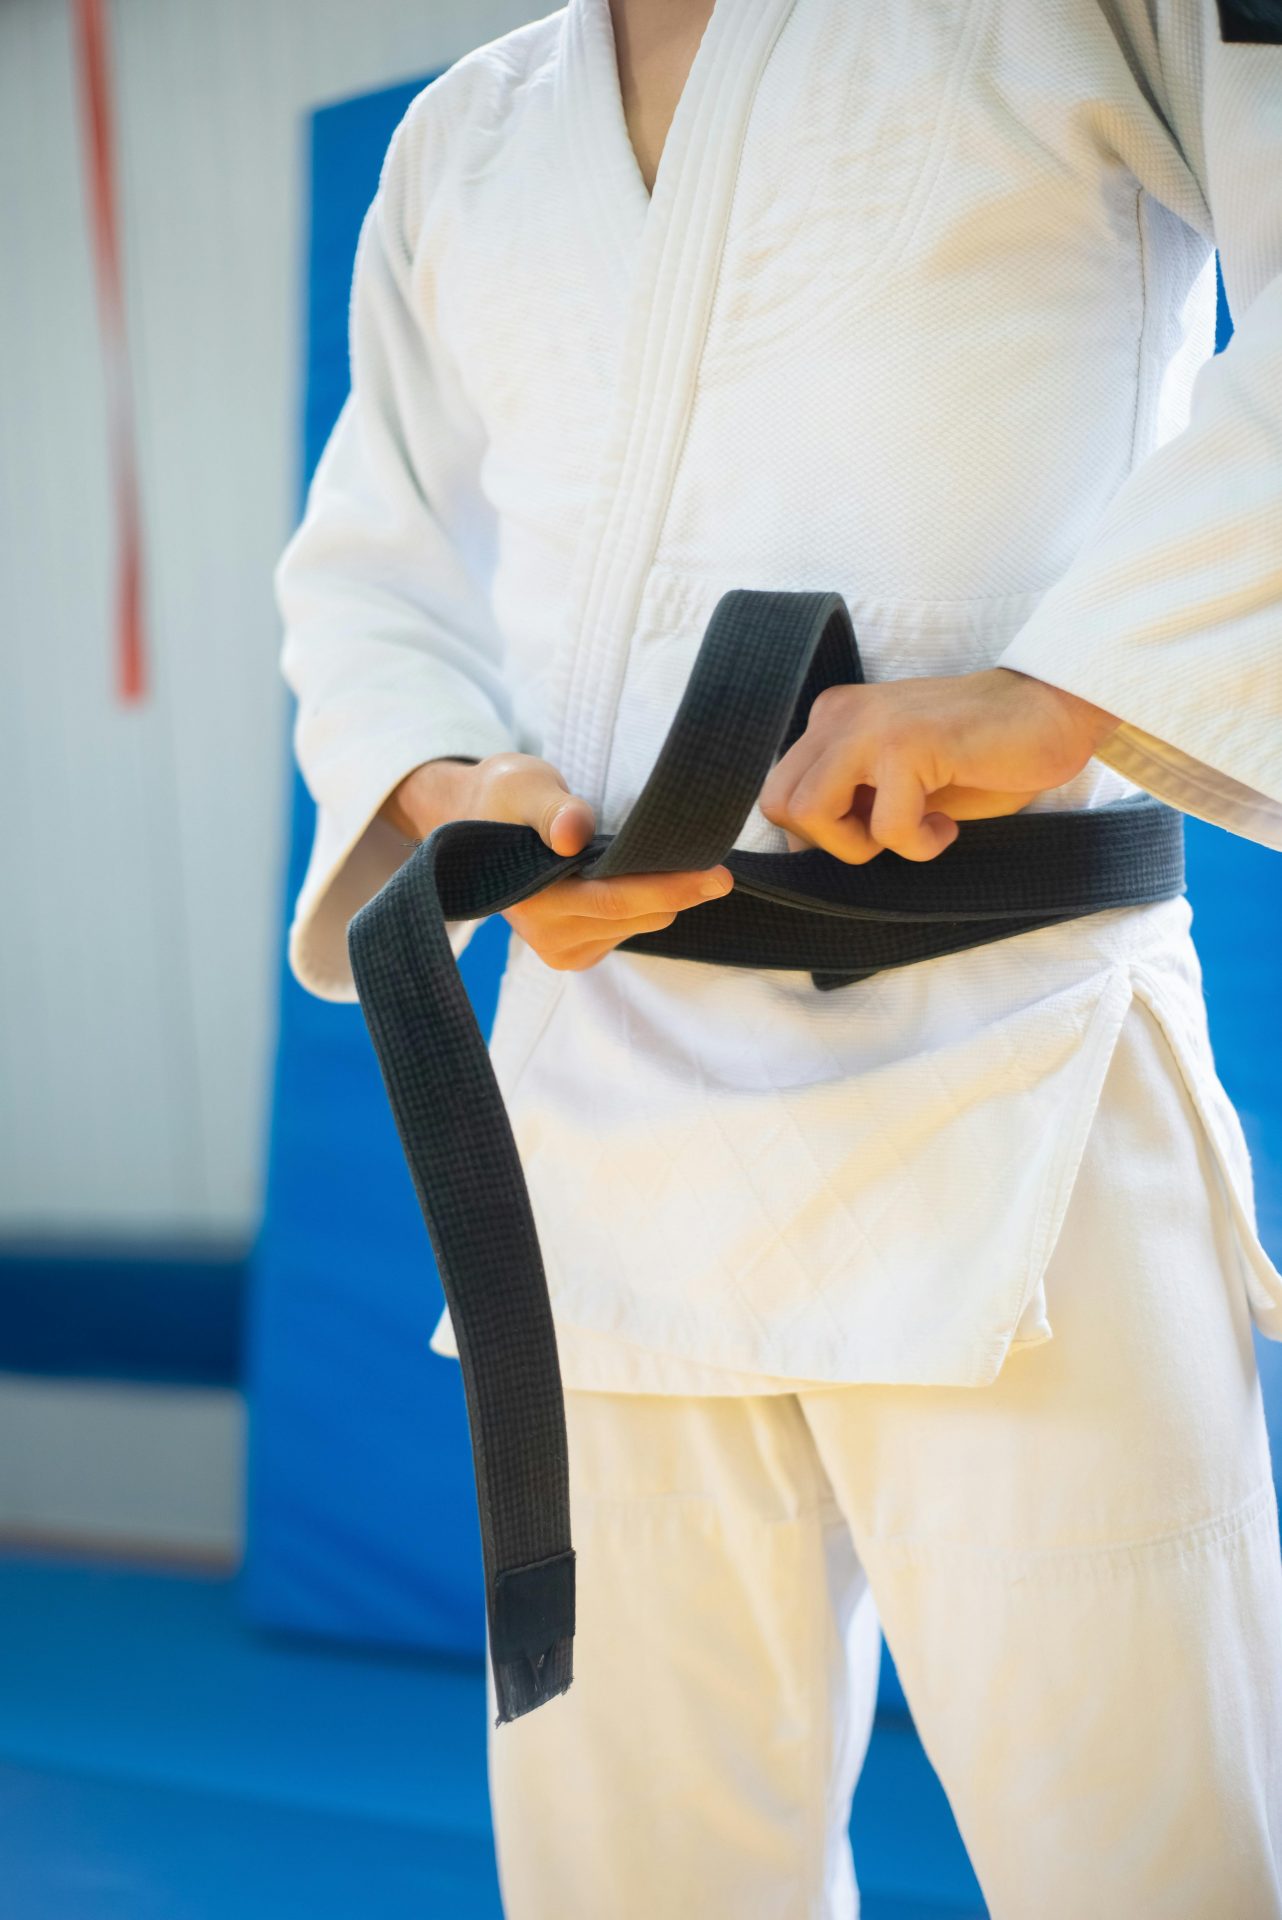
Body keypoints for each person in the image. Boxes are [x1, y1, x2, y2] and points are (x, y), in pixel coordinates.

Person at [273, 1, 1282, 1912]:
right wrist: (451, 793)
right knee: (631, 1866)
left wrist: (1058, 694)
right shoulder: (464, 136)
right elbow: (372, 568)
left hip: (1012, 1067)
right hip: (602, 1094)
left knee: (1149, 1857)